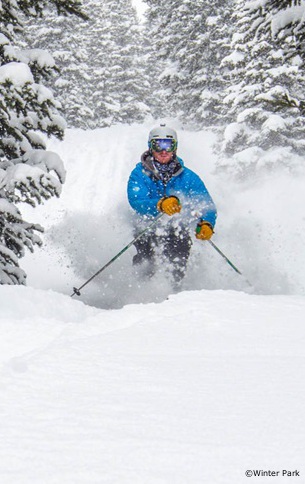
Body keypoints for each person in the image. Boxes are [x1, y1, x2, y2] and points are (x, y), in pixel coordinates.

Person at [127, 124, 217, 285]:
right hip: (146, 227)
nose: (163, 151)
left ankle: (173, 293)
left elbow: (206, 204)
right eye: (158, 145)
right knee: (147, 260)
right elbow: (136, 200)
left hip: (176, 228)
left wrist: (207, 223)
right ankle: (139, 292)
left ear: (175, 147)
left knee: (178, 257)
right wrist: (159, 204)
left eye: (168, 146)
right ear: (150, 147)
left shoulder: (188, 177)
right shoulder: (139, 174)